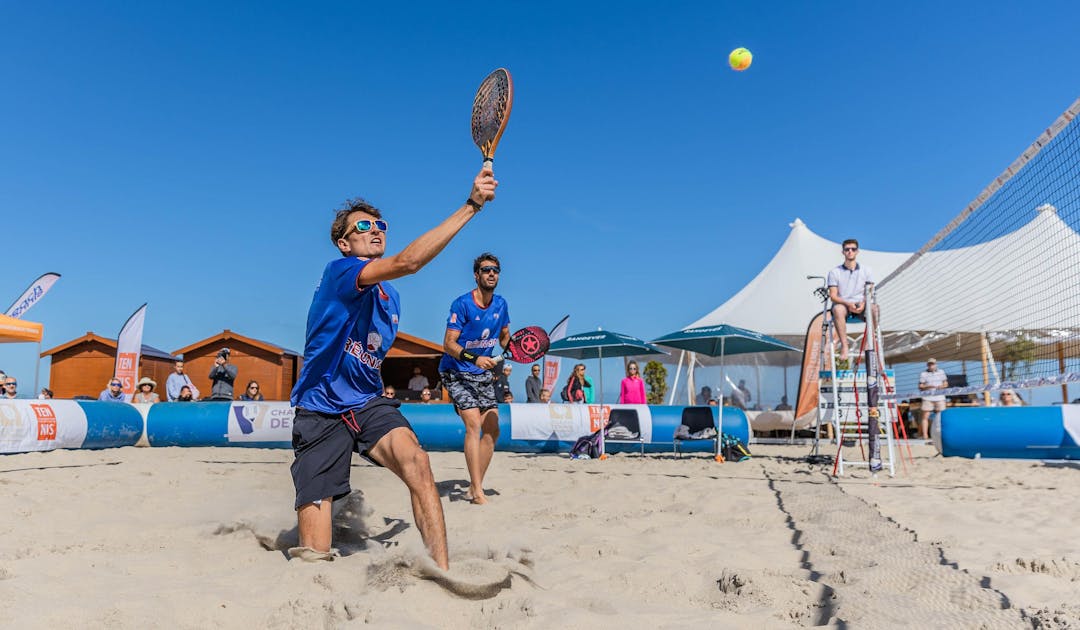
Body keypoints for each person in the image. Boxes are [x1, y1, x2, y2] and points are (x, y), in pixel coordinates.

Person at [289, 167, 495, 569]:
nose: (375, 230)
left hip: (366, 403)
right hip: (320, 407)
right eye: (362, 226)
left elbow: (367, 352)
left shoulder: (391, 297)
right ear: (343, 243)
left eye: (380, 224)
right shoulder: (340, 271)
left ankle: (441, 570)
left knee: (418, 462)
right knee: (314, 555)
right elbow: (410, 261)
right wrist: (471, 205)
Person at [439, 252, 511, 507]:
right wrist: (474, 358)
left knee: (492, 428)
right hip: (455, 370)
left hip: (482, 373)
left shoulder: (501, 304)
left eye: (495, 270)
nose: (491, 273)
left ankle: (473, 483)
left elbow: (504, 338)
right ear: (476, 275)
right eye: (486, 269)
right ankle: (477, 490)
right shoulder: (462, 304)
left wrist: (517, 347)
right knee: (473, 423)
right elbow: (448, 343)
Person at [827, 238, 879, 361]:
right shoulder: (834, 272)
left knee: (875, 309)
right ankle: (845, 346)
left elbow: (870, 292)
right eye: (847, 249)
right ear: (843, 252)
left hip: (861, 303)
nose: (850, 251)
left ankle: (868, 342)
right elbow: (833, 296)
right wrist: (848, 303)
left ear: (857, 251)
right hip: (844, 304)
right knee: (838, 309)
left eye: (853, 249)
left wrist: (863, 303)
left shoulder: (867, 270)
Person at [917, 358, 947, 440]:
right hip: (928, 397)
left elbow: (946, 384)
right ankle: (925, 435)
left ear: (936, 364)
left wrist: (942, 386)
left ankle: (942, 435)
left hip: (940, 397)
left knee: (942, 416)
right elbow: (920, 386)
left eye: (933, 364)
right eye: (930, 364)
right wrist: (928, 386)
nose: (931, 365)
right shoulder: (923, 374)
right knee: (925, 416)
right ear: (927, 365)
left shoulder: (941, 372)